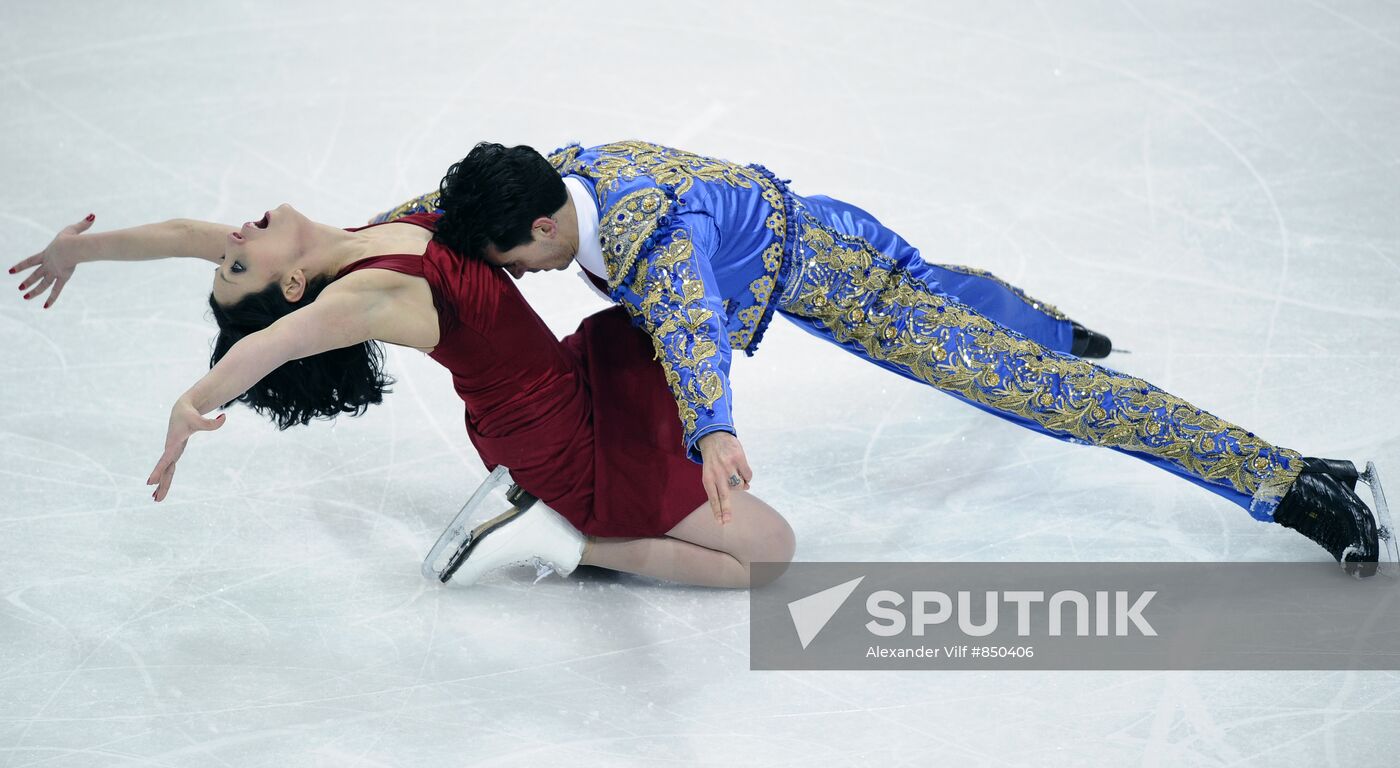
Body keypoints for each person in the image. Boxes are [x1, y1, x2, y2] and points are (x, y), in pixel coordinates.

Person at [374, 139, 1391, 575]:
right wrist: (346, 241)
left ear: (547, 226)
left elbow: (687, 332)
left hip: (855, 291)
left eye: (516, 261)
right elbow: (440, 209)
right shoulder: (551, 170)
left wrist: (713, 427)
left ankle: (1291, 480)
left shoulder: (644, 240)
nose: (521, 275)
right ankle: (1048, 323)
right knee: (977, 306)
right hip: (813, 233)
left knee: (1038, 393)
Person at [8, 206, 795, 589]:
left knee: (683, 327)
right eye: (235, 265)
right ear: (292, 284)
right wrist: (193, 399)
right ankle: (561, 540)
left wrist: (76, 247)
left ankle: (560, 517)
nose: (230, 243)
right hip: (557, 442)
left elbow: (181, 232)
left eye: (228, 255)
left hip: (565, 388)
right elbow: (268, 344)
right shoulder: (363, 294)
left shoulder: (353, 239)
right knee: (767, 557)